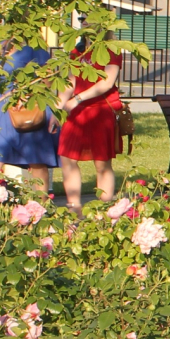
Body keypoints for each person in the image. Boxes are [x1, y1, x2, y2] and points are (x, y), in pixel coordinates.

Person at [57, 42, 123, 213]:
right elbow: (70, 81)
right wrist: (58, 109)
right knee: (67, 158)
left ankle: (105, 210)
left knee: (102, 163)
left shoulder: (111, 49)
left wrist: (77, 99)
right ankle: (74, 209)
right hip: (75, 112)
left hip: (100, 111)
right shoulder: (78, 50)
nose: (86, 24)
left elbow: (107, 83)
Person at [0, 44, 59, 193]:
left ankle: (42, 203)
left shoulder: (34, 48)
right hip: (3, 108)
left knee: (36, 159)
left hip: (27, 108)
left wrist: (26, 92)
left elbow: (47, 80)